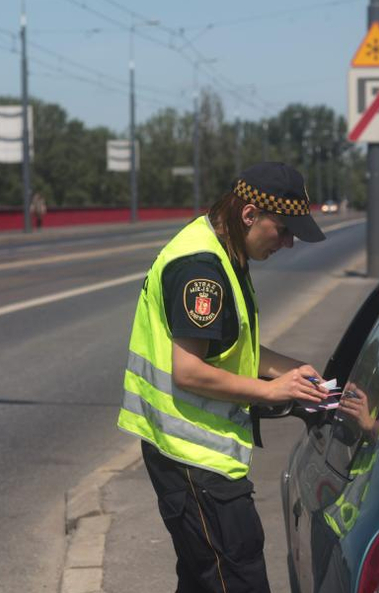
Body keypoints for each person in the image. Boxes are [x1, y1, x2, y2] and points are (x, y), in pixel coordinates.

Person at [117, 162, 330, 592]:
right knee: (236, 575)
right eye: (284, 230)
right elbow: (189, 371)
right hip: (192, 458)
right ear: (250, 214)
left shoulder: (227, 248)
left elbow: (234, 348)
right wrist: (272, 390)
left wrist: (293, 372)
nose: (288, 243)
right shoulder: (202, 270)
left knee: (202, 579)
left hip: (196, 454)